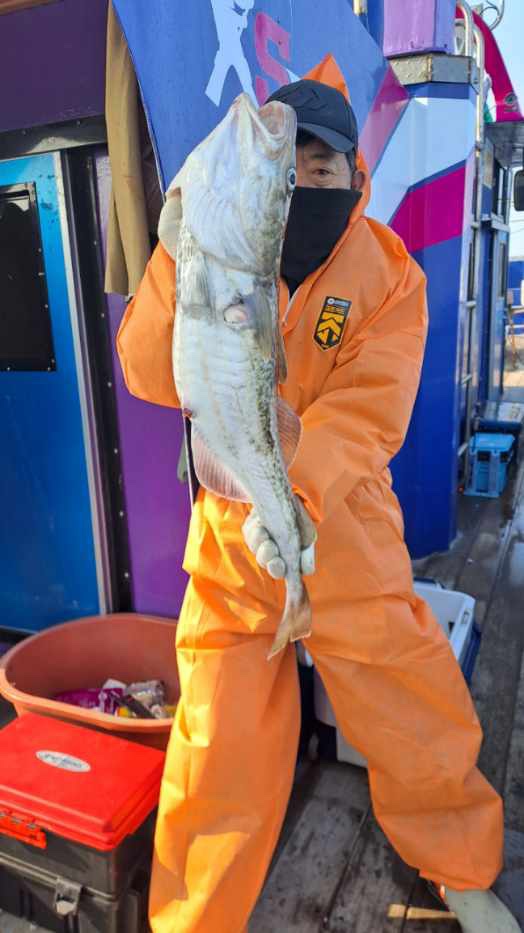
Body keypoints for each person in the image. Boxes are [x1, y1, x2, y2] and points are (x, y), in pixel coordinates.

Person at [116, 57, 520, 933]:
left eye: (321, 165)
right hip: (230, 536)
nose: (302, 181)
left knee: (410, 699)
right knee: (214, 741)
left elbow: (368, 408)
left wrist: (296, 496)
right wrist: (172, 258)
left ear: (355, 173)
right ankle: (193, 922)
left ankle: (460, 867)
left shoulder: (392, 274)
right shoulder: (212, 241)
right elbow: (149, 371)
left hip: (342, 524)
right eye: (287, 167)